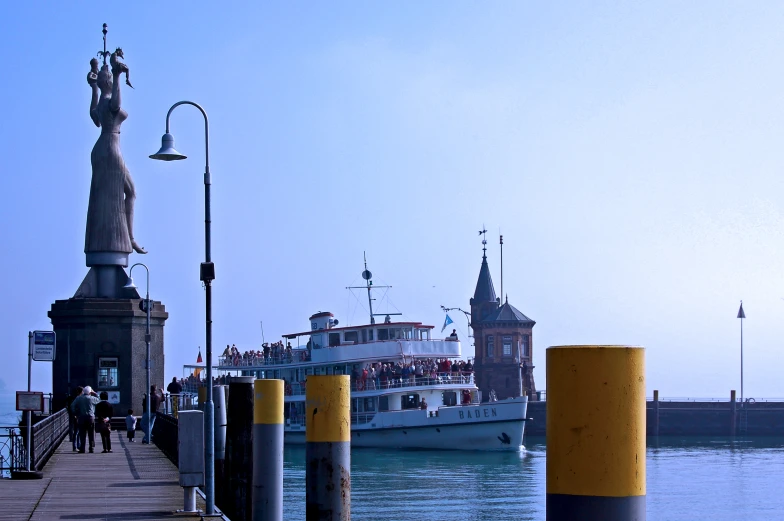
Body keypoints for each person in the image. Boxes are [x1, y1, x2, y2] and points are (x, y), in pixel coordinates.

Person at [84, 54, 146, 258]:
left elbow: (95, 117)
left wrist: (94, 87)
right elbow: (117, 106)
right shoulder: (109, 100)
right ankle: (130, 238)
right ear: (108, 81)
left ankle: (128, 238)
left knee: (119, 193)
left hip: (102, 149)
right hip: (111, 149)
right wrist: (118, 75)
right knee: (131, 192)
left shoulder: (101, 100)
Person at [71, 386, 100, 453]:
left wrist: (75, 413)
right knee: (91, 433)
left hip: (81, 417)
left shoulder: (78, 398)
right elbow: (99, 400)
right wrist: (95, 393)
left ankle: (82, 448)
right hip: (90, 418)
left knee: (82, 434)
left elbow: (72, 406)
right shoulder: (92, 398)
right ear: (90, 392)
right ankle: (91, 448)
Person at [66, 386, 83, 452]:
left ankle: (77, 445)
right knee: (77, 432)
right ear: (81, 391)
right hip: (77, 416)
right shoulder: (78, 398)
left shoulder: (72, 397)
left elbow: (67, 405)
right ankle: (76, 446)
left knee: (76, 431)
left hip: (73, 415)